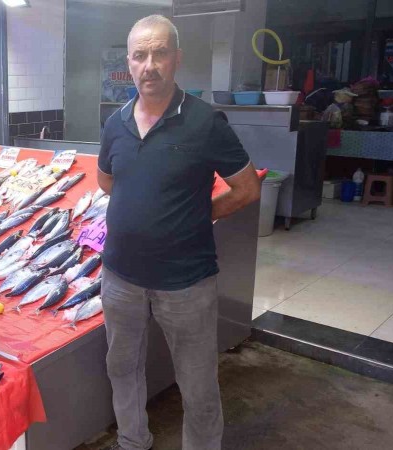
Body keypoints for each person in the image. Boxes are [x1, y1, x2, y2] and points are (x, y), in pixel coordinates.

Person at [97, 15, 261, 450]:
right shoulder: (115, 123)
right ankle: (132, 440)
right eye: (139, 55)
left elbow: (247, 188)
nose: (149, 65)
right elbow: (108, 181)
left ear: (177, 58)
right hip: (119, 278)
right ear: (128, 63)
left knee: (198, 385)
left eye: (160, 53)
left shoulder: (205, 122)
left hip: (186, 282)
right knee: (121, 368)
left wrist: (197, 216)